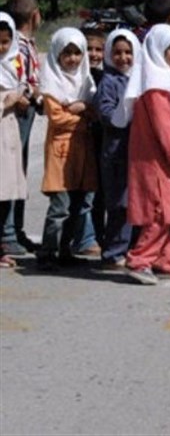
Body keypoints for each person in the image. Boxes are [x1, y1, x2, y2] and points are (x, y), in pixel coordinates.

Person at [119, 24, 170, 285]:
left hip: (156, 158)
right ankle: (139, 259)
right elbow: (163, 128)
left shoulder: (156, 80)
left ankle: (163, 259)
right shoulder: (156, 87)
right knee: (159, 212)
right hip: (157, 160)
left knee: (167, 212)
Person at [36, 28, 98, 271]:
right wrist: (83, 116)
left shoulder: (87, 82)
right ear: (57, 55)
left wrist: (83, 107)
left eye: (77, 53)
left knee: (77, 205)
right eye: (67, 53)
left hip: (82, 152)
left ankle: (65, 250)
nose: (72, 59)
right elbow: (57, 118)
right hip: (60, 152)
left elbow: (95, 111)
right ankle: (47, 251)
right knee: (59, 206)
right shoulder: (51, 82)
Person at [95, 30, 141, 269]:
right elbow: (105, 112)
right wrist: (128, 115)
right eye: (118, 53)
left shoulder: (138, 78)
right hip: (116, 152)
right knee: (118, 205)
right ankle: (113, 253)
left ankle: (129, 247)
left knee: (133, 203)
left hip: (135, 152)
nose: (123, 57)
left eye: (128, 52)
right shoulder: (109, 81)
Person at [1, 0, 43, 256]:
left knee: (19, 174)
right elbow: (22, 81)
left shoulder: (22, 44)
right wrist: (28, 94)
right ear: (35, 15)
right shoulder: (19, 47)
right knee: (11, 174)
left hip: (18, 111)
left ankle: (16, 230)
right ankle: (8, 233)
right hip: (14, 114)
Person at [0, 12, 25, 268]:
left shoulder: (11, 64)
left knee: (6, 192)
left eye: (6, 42)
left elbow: (19, 85)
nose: (2, 47)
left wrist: (21, 95)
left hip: (8, 134)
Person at [82, 27, 107, 255]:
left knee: (99, 193)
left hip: (100, 140)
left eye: (99, 49)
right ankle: (85, 237)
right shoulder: (75, 75)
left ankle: (97, 234)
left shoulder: (104, 76)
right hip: (79, 141)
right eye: (88, 49)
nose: (93, 54)